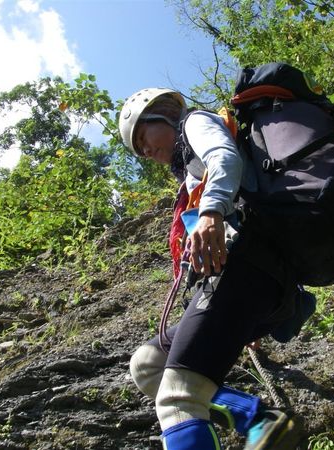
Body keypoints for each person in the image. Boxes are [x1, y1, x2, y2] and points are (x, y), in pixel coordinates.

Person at [119, 88, 302, 449]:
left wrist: (210, 212)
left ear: (165, 113)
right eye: (139, 150)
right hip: (241, 280)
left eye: (144, 137)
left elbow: (224, 157)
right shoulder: (190, 173)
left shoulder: (194, 123)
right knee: (147, 365)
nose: (146, 151)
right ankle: (257, 419)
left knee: (177, 399)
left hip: (248, 267)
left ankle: (257, 421)